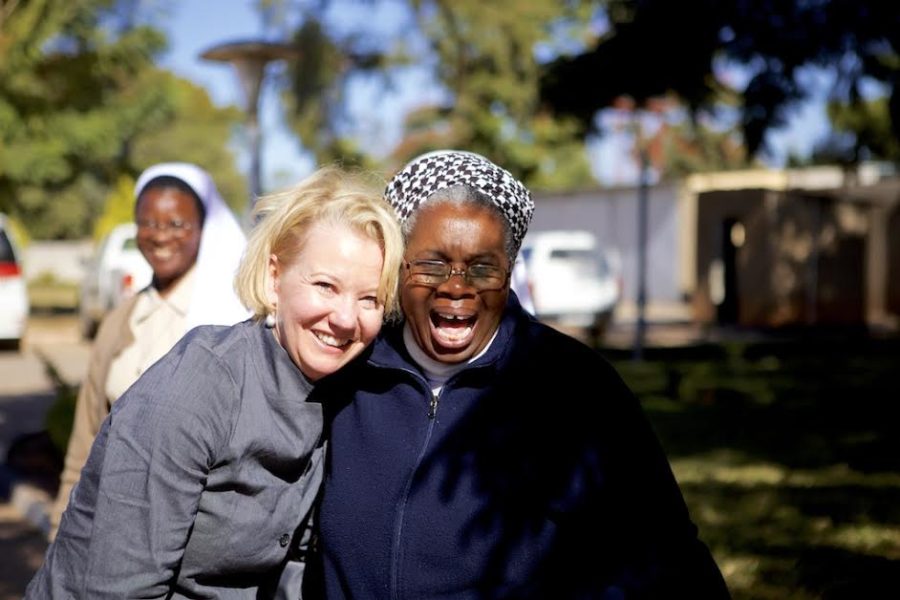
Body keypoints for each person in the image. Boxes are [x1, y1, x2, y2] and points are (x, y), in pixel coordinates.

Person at [315, 150, 731, 598]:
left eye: (483, 267)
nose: (456, 287)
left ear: (510, 274)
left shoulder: (575, 388)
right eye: (432, 264)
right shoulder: (346, 370)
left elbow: (666, 557)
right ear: (399, 269)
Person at [27, 166, 404, 598]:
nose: (344, 317)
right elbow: (118, 587)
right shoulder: (198, 389)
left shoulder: (339, 389)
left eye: (369, 298)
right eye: (325, 286)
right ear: (274, 276)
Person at [49, 162, 250, 538]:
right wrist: (60, 529)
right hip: (110, 524)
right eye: (147, 223)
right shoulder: (119, 320)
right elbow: (85, 441)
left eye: (176, 224)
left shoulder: (232, 318)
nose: (159, 236)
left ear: (203, 230)